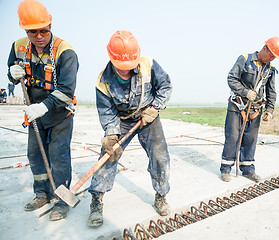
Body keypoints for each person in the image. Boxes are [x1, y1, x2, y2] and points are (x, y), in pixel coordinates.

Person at [87, 30, 172, 227]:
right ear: (111, 58)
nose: (125, 70)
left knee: (160, 156)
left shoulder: (148, 65)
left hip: (148, 116)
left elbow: (165, 87)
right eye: (120, 67)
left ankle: (161, 195)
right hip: (122, 120)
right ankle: (96, 199)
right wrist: (111, 136)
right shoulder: (103, 81)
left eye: (129, 66)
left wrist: (156, 107)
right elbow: (107, 113)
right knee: (108, 156)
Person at [7, 0, 78, 221]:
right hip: (33, 110)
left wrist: (43, 107)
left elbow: (66, 90)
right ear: (25, 30)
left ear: (50, 26)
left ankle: (62, 199)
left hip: (59, 112)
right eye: (32, 31)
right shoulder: (19, 46)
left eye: (43, 31)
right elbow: (12, 75)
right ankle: (41, 194)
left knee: (58, 156)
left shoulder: (65, 52)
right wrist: (12, 74)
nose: (39, 36)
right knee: (35, 154)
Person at [220, 37, 279, 183]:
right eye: (271, 55)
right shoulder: (245, 59)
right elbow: (231, 78)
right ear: (265, 49)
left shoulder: (270, 69)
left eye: (274, 57)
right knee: (233, 137)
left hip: (255, 110)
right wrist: (245, 92)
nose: (272, 58)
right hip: (237, 106)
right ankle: (226, 168)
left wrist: (270, 110)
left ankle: (248, 169)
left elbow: (271, 91)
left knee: (250, 139)